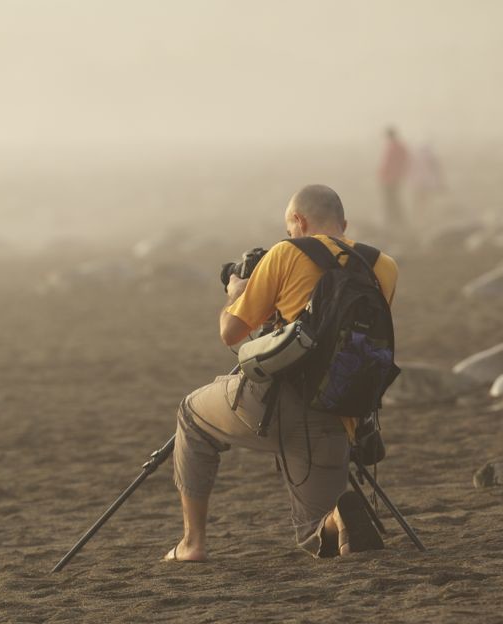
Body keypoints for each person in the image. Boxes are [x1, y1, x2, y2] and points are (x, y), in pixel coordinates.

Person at [164, 184, 398, 562]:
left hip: (276, 401)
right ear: (344, 223)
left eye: (290, 228)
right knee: (313, 533)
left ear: (299, 221)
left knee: (191, 414)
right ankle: (340, 518)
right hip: (341, 413)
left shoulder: (285, 254)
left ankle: (192, 544)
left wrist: (236, 291)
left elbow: (232, 334)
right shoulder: (383, 266)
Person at [379, 127, 410, 228]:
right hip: (396, 177)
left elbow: (387, 164)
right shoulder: (401, 146)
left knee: (390, 200)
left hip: (389, 178)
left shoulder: (392, 147)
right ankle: (398, 219)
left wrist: (382, 175)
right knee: (395, 199)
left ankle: (392, 220)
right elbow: (405, 161)